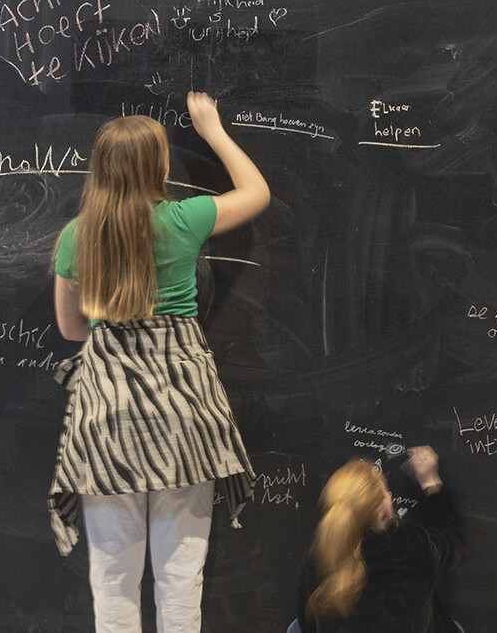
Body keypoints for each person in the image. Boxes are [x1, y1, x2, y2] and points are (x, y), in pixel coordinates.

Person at [49, 92, 270, 633]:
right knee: (180, 580)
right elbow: (257, 192)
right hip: (184, 417)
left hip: (108, 420)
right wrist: (213, 130)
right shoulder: (182, 219)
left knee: (113, 583)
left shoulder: (76, 237)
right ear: (161, 165)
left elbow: (71, 329)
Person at [297, 446, 465, 633]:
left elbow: (307, 622)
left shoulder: (320, 556)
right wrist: (431, 482)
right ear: (384, 507)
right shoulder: (413, 544)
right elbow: (453, 541)